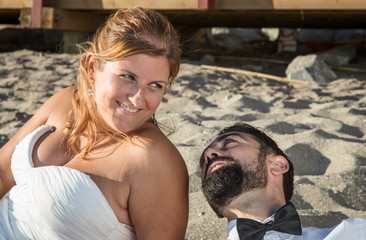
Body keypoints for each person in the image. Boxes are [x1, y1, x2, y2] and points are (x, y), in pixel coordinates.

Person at [0, 7, 188, 240]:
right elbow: (2, 174)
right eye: (128, 76)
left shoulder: (154, 160)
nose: (138, 99)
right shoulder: (66, 101)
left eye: (155, 85)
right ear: (92, 67)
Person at [200, 122, 366, 240]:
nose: (209, 153)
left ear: (278, 165)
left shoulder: (353, 233)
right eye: (203, 162)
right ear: (215, 209)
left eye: (229, 142)